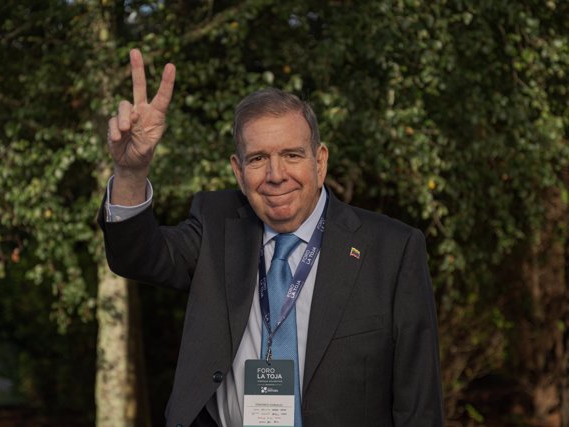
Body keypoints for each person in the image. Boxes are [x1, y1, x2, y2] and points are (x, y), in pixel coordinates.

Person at [98, 49, 444, 427]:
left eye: (292, 155)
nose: (276, 174)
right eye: (259, 158)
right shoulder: (216, 227)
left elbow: (419, 407)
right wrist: (131, 173)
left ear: (320, 161)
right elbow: (137, 256)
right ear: (238, 171)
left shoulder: (392, 250)